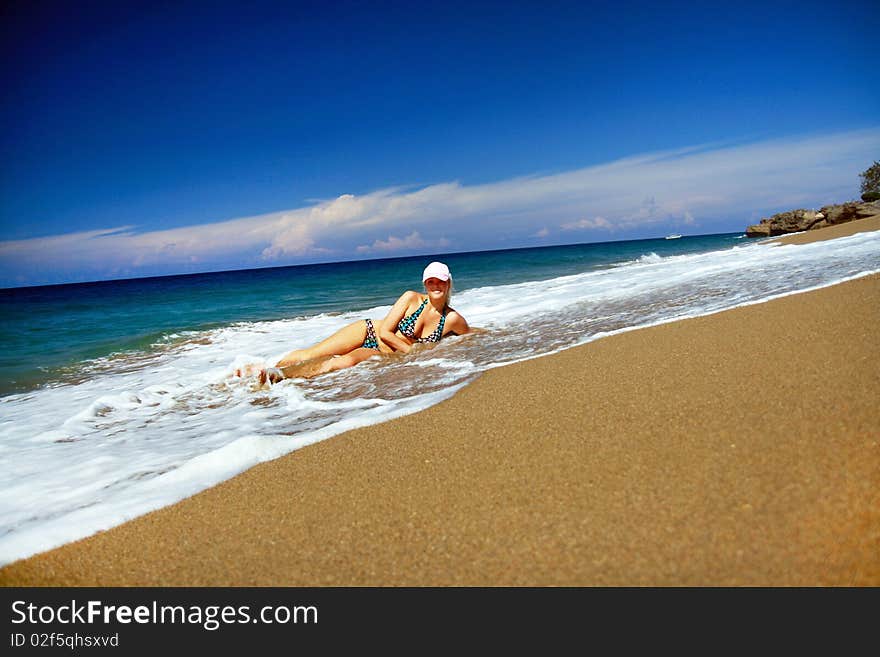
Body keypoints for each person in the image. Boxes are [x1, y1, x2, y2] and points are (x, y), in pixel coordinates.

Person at [238, 261, 471, 385]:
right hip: (369, 331)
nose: (435, 286)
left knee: (343, 363)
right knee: (312, 354)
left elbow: (471, 334)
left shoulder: (452, 319)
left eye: (440, 282)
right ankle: (264, 367)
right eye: (430, 282)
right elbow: (388, 332)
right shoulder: (411, 298)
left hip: (382, 353)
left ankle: (280, 376)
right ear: (425, 284)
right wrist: (413, 352)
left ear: (448, 283)